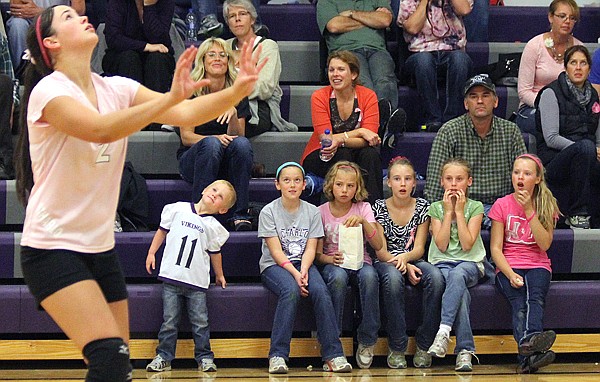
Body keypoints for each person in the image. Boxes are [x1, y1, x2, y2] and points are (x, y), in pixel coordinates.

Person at [14, 5, 263, 381]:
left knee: (118, 368)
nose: (81, 15)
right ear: (51, 43)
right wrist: (165, 102)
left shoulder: (116, 87)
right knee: (109, 359)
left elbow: (188, 113)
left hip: (99, 249)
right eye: (67, 17)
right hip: (52, 248)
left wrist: (238, 89)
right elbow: (100, 130)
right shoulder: (48, 92)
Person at [258, 161, 352, 374]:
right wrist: (295, 274)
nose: (292, 185)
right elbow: (275, 251)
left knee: (320, 290)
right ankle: (278, 355)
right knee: (290, 291)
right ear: (277, 184)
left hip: (303, 263)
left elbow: (311, 249)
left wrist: (304, 270)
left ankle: (333, 355)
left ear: (303, 185)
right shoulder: (268, 212)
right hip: (275, 265)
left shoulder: (311, 212)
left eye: (297, 180)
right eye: (287, 180)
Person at [144, 180, 236, 373]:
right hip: (171, 279)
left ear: (223, 210)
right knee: (169, 321)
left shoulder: (213, 227)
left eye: (220, 197)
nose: (214, 195)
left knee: (200, 323)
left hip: (196, 284)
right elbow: (162, 231)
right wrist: (152, 253)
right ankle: (164, 356)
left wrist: (219, 275)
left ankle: (204, 357)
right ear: (203, 189)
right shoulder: (177, 209)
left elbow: (215, 252)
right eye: (214, 189)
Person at [425, 74, 527, 229]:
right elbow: (434, 181)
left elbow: (524, 175)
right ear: (466, 104)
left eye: (485, 95)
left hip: (501, 206)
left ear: (496, 101)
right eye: (473, 97)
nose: (480, 101)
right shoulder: (449, 131)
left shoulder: (511, 131)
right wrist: (435, 216)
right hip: (461, 206)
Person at [489, 154, 560, 374]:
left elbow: (545, 243)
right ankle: (533, 352)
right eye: (516, 172)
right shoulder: (502, 204)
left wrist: (529, 210)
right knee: (520, 304)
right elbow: (495, 249)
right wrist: (509, 274)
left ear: (537, 179)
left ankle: (527, 357)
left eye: (527, 173)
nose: (520, 177)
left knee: (534, 297)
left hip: (537, 264)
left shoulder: (547, 204)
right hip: (508, 265)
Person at [372, 156, 445, 369]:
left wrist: (406, 259)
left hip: (413, 258)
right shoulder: (378, 207)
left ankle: (424, 345)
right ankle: (397, 346)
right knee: (393, 278)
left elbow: (420, 248)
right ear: (389, 182)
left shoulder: (423, 206)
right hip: (386, 261)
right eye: (397, 178)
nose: (402, 184)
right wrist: (401, 262)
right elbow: (381, 251)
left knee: (436, 278)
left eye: (407, 179)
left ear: (415, 182)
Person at [177, 37, 253, 231]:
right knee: (211, 144)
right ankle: (198, 216)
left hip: (225, 159)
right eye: (211, 55)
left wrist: (234, 114)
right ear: (202, 60)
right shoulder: (191, 92)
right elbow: (186, 137)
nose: (217, 59)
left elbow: (239, 137)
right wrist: (215, 139)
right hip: (195, 159)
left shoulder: (237, 92)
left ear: (229, 62)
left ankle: (240, 215)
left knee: (242, 145)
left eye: (222, 55)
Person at [314, 161, 382, 369]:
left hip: (362, 261)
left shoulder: (364, 208)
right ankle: (331, 342)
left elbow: (378, 245)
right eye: (339, 185)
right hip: (334, 262)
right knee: (338, 278)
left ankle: (367, 339)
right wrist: (328, 259)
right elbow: (317, 254)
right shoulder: (320, 211)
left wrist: (364, 222)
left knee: (370, 277)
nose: (344, 190)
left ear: (357, 188)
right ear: (330, 186)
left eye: (350, 186)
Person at [426, 158, 486, 372]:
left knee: (459, 273)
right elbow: (441, 245)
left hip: (471, 263)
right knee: (460, 293)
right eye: (449, 179)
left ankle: (443, 332)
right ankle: (465, 351)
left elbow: (468, 244)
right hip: (443, 264)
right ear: (441, 182)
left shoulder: (475, 207)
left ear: (469, 182)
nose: (453, 184)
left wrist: (459, 212)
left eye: (459, 179)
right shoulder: (435, 208)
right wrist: (448, 212)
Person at [301, 51, 383, 203]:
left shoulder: (368, 95)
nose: (335, 74)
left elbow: (370, 139)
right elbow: (326, 139)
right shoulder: (319, 96)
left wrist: (341, 139)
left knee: (370, 155)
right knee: (344, 155)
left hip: (356, 151)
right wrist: (360, 131)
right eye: (331, 70)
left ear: (353, 74)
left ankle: (373, 213)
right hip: (322, 154)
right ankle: (342, 212)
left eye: (341, 69)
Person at [534, 45, 600, 229]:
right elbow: (551, 138)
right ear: (565, 67)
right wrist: (585, 149)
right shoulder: (550, 93)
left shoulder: (593, 95)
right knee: (586, 147)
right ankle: (578, 214)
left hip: (585, 154)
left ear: (589, 68)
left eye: (583, 63)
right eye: (573, 63)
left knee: (588, 149)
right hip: (553, 160)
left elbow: (595, 131)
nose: (578, 68)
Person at [224, 0, 297, 137]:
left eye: (242, 14)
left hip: (259, 108)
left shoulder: (268, 46)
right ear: (228, 23)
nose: (237, 19)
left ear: (252, 19)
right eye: (232, 16)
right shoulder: (224, 46)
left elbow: (265, 87)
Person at [398, 0, 473, 132]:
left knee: (460, 60)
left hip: (452, 51)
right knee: (424, 61)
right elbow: (412, 28)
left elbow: (464, 10)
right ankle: (433, 119)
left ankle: (453, 120)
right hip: (419, 53)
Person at [316, 0, 398, 112]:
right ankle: (371, 123)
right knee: (364, 83)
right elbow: (334, 26)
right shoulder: (326, 1)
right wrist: (371, 18)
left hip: (377, 50)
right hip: (346, 51)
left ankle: (385, 122)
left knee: (385, 81)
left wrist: (352, 14)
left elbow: (384, 20)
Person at [515, 0, 581, 135]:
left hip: (567, 110)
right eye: (562, 16)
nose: (567, 21)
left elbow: (581, 88)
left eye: (572, 18)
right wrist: (549, 107)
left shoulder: (579, 49)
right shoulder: (534, 46)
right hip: (533, 107)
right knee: (548, 122)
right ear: (550, 17)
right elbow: (524, 91)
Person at [102, 0, 175, 95]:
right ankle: (132, 107)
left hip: (156, 57)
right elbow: (113, 38)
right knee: (129, 58)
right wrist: (145, 46)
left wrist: (149, 6)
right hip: (122, 55)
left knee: (157, 59)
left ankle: (157, 106)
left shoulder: (165, 2)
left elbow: (159, 37)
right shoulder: (118, 2)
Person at [6, 0, 85, 69]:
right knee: (17, 24)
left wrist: (43, 12)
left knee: (66, 25)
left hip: (58, 19)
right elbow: (17, 7)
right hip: (28, 19)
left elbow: (79, 10)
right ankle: (22, 71)